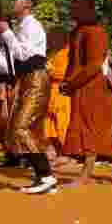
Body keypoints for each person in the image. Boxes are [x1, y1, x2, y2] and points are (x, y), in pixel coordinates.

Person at [59, 0, 112, 188]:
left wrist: (72, 83)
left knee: (90, 128)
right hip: (80, 86)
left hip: (91, 87)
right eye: (72, 6)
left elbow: (94, 65)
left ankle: (86, 175)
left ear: (89, 9)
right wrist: (67, 82)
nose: (72, 11)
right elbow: (73, 61)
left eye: (77, 7)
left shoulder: (96, 32)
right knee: (95, 128)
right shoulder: (78, 31)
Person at [0, 0, 56, 195]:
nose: (12, 3)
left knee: (21, 128)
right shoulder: (22, 25)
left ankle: (46, 175)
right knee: (24, 128)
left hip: (36, 79)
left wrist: (7, 34)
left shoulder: (31, 25)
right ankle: (43, 176)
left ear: (28, 4)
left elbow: (24, 55)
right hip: (27, 79)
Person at [44, 28, 72, 169]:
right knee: (50, 126)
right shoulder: (52, 53)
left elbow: (65, 74)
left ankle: (68, 154)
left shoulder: (68, 52)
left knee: (63, 123)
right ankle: (58, 152)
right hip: (50, 92)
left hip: (62, 92)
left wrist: (50, 70)